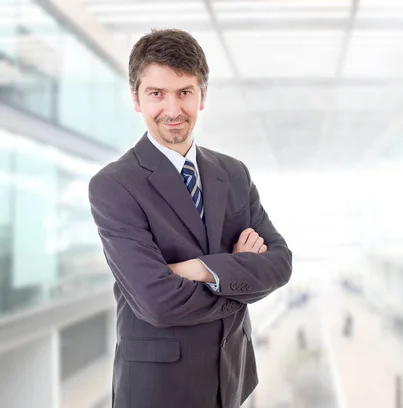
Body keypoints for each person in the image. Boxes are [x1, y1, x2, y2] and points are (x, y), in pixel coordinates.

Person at [88, 29, 293, 408]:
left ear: (203, 95)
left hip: (230, 377)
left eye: (184, 92)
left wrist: (199, 269)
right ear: (135, 98)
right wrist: (239, 275)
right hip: (159, 387)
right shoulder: (114, 185)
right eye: (156, 94)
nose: (172, 109)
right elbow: (157, 302)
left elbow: (280, 264)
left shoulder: (233, 173)